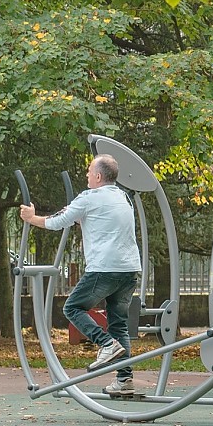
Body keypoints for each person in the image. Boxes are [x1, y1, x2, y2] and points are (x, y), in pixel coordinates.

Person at [21, 154, 143, 398]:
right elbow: (102, 221)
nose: (87, 175)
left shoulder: (89, 197)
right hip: (129, 269)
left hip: (104, 268)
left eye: (89, 171)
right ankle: (124, 379)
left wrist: (31, 218)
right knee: (118, 323)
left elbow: (58, 222)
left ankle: (105, 344)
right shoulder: (123, 197)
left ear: (98, 176)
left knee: (72, 308)